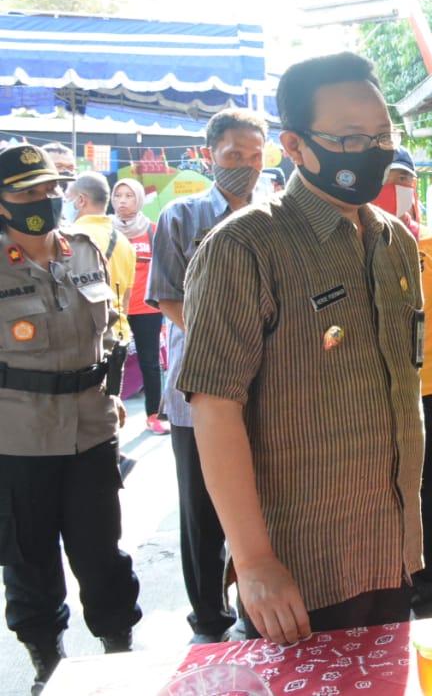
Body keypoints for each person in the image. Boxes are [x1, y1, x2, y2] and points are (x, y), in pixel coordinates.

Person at [179, 52, 425, 645]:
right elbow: (213, 408)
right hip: (299, 573)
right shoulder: (243, 247)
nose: (372, 150)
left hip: (391, 549)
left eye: (382, 136)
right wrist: (255, 562)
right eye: (349, 137)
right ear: (293, 144)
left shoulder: (395, 242)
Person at [0, 145, 141, 694]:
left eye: (50, 189)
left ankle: (118, 649)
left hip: (90, 429)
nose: (44, 200)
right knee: (29, 559)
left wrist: (109, 381)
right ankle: (47, 662)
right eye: (27, 192)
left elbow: (112, 326)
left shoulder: (85, 250)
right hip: (17, 437)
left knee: (100, 550)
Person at [146, 108, 266, 643]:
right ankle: (208, 619)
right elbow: (166, 295)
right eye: (234, 155)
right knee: (201, 508)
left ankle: (256, 609)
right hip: (195, 393)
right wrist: (224, 334)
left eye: (256, 155)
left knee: (261, 503)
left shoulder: (274, 217)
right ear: (209, 154)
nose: (246, 165)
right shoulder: (181, 217)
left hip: (264, 388)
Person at [375, 148, 432, 618]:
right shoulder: (343, 244)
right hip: (365, 398)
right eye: (386, 177)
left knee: (426, 496)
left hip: (425, 396)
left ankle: (427, 590)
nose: (396, 187)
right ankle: (381, 588)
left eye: (403, 178)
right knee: (372, 496)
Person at [110, 178, 168, 434]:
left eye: (129, 195)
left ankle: (154, 414)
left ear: (139, 199)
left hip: (147, 309)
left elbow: (165, 267)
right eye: (118, 195)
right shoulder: (107, 231)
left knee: (150, 363)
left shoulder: (153, 230)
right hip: (114, 308)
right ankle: (108, 416)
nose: (122, 200)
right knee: (111, 362)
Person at [64, 173, 137, 359]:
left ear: (80, 200)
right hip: (118, 337)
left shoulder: (70, 238)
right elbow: (126, 299)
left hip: (83, 339)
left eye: (67, 199)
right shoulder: (123, 241)